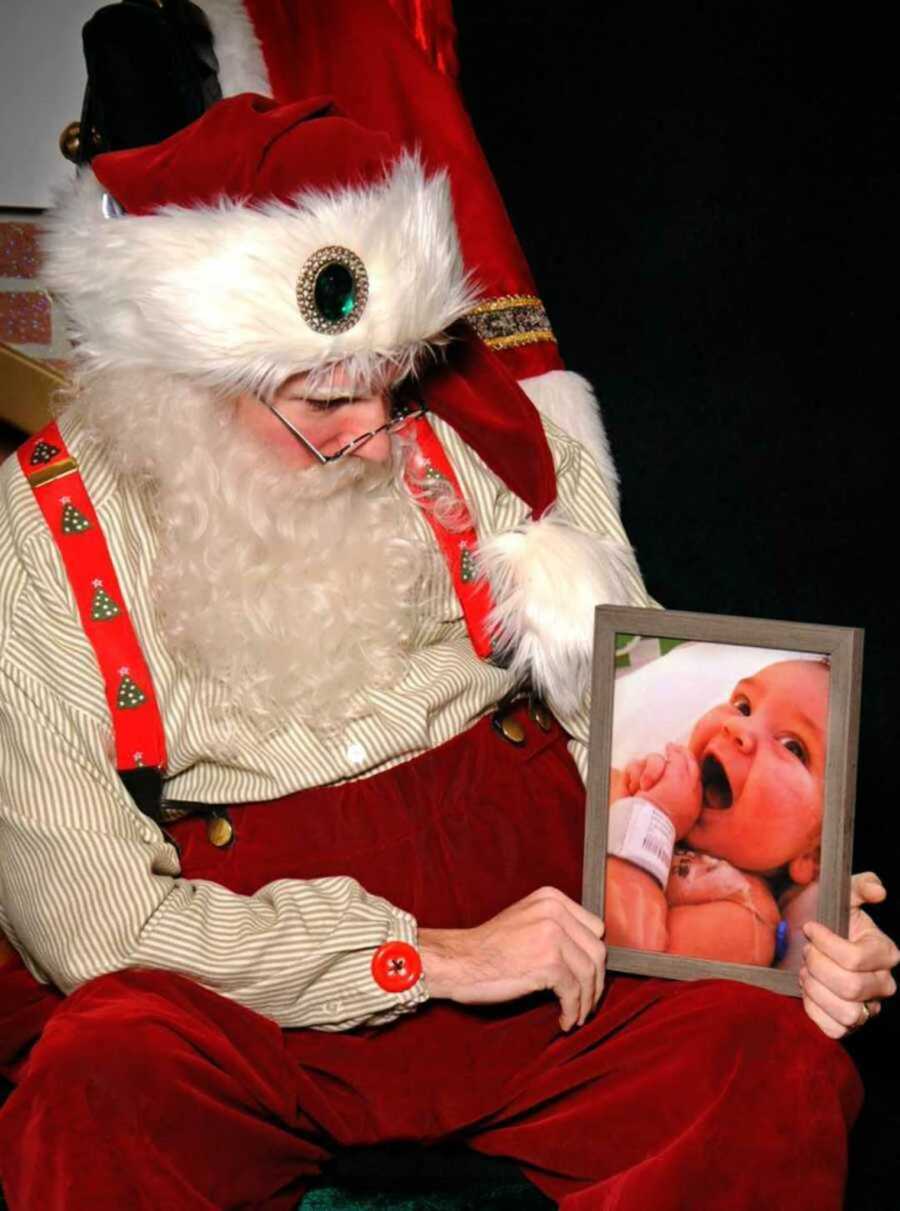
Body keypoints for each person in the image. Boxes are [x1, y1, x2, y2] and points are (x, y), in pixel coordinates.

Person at [0, 11, 897, 1211]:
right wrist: (427, 956)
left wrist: (801, 928)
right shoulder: (43, 524)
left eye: (390, 387)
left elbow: (639, 723)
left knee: (770, 1067)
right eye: (322, 402)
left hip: (552, 939)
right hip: (251, 977)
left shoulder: (474, 428)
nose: (376, 437)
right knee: (96, 1082)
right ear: (183, 383)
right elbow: (93, 919)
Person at [606, 659, 827, 966]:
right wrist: (623, 791)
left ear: (812, 856)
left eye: (793, 748)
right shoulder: (642, 783)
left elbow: (625, 955)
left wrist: (651, 814)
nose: (739, 726)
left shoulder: (746, 920)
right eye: (743, 706)